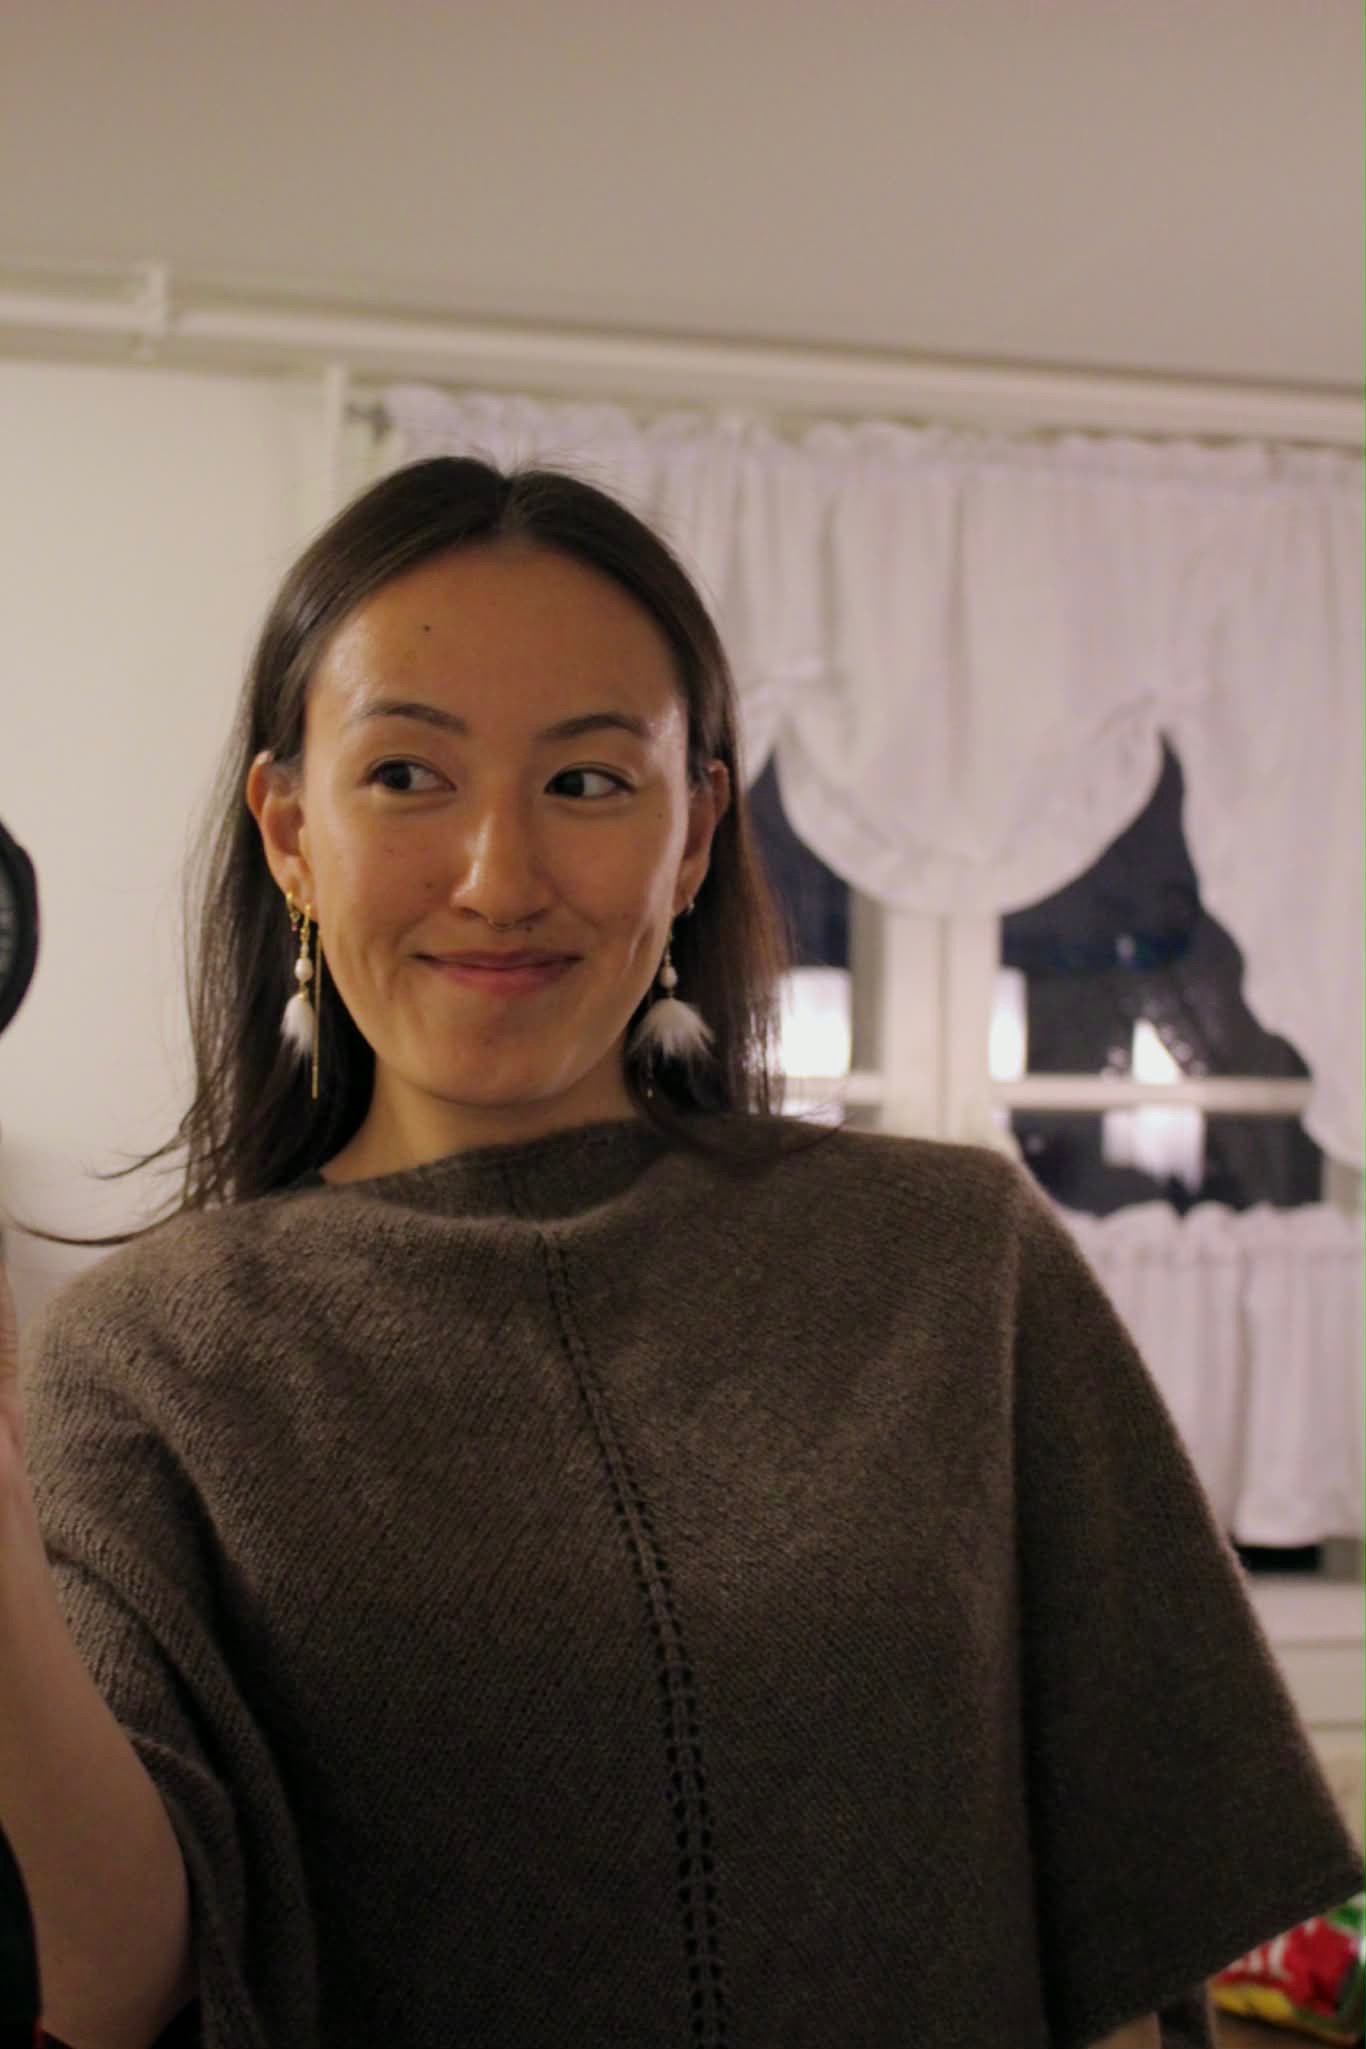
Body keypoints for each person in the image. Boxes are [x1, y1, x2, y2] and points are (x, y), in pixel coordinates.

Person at [2, 456, 1360, 2049]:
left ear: (696, 829)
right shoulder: (150, 1356)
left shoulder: (954, 1262)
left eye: (587, 781)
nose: (499, 878)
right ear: (290, 833)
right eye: (406, 776)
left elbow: (1133, 1923)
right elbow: (113, 1982)